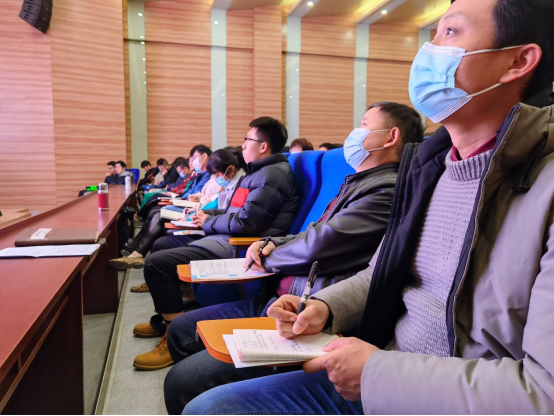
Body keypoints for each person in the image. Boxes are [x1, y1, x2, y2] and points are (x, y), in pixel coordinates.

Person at [180, 0, 554, 414]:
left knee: (208, 406)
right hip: (384, 363)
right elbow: (381, 272)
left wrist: (378, 373)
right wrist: (326, 307)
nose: (429, 50)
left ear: (517, 62)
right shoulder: (429, 169)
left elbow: (545, 391)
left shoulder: (543, 186)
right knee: (195, 393)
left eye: (450, 32)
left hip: (444, 394)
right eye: (433, 34)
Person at [162, 102, 425, 413]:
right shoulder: (357, 182)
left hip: (306, 313)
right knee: (180, 331)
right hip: (285, 297)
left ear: (390, 136)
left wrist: (267, 257)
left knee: (184, 382)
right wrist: (271, 242)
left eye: (364, 125)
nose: (355, 132)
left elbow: (317, 245)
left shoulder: (385, 191)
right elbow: (311, 232)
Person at [131, 117, 300, 371]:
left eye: (248, 140)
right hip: (226, 238)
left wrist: (207, 223)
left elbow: (246, 224)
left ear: (263, 146)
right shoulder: (258, 172)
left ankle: (175, 339)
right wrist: (207, 215)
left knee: (157, 263)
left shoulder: (271, 176)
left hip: (241, 247)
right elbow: (234, 211)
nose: (243, 145)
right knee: (163, 244)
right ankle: (167, 320)